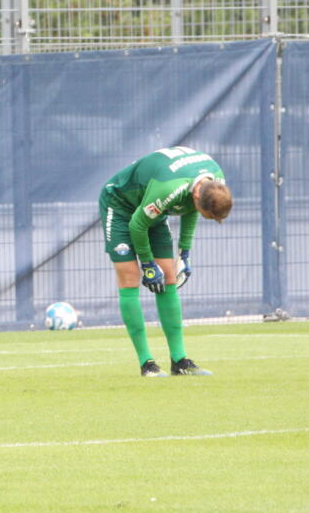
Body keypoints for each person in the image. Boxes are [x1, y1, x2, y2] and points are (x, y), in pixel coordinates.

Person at [99, 146, 233, 377]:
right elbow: (137, 225)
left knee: (169, 275)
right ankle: (147, 364)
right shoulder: (169, 188)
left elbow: (192, 210)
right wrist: (148, 265)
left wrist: (184, 254)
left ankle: (179, 362)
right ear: (198, 195)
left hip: (153, 207)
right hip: (120, 205)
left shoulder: (215, 180)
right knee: (130, 276)